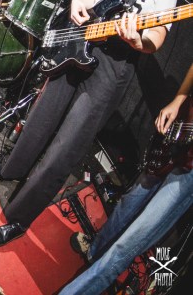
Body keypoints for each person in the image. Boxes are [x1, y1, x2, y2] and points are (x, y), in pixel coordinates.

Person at [0, 0, 179, 247]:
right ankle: (11, 169)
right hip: (83, 40)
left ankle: (19, 217)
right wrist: (79, 0)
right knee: (43, 113)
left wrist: (138, 39)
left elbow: (157, 36)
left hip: (116, 62)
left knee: (67, 145)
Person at [59, 62, 193, 294]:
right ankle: (94, 251)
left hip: (188, 175)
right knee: (127, 205)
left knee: (128, 243)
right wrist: (179, 100)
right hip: (181, 131)